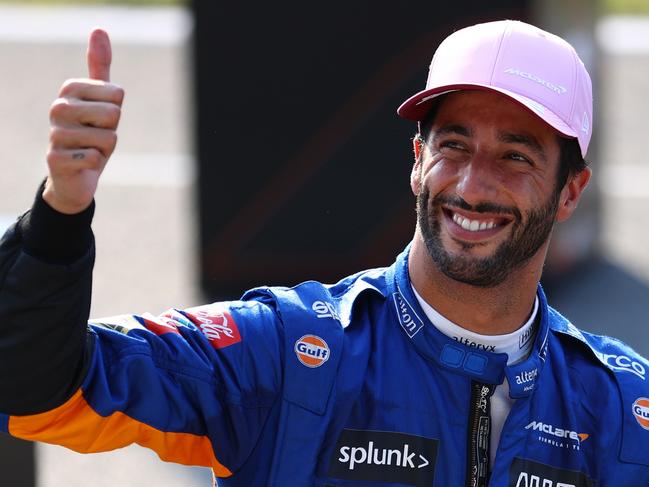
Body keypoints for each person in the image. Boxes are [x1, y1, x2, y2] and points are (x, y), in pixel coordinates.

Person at [0, 19, 647, 487]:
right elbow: (34, 390)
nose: (472, 185)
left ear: (569, 191)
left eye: (514, 156)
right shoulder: (287, 351)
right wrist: (60, 214)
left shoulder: (622, 408)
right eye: (453, 145)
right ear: (417, 161)